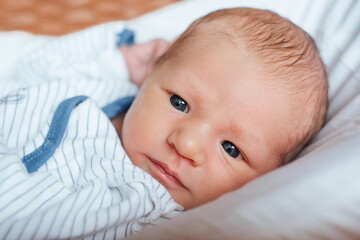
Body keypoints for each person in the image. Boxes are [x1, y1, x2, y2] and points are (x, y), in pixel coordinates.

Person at [0, 7, 328, 239]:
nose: (186, 144)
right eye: (179, 102)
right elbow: (36, 68)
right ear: (153, 73)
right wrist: (119, 60)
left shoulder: (135, 208)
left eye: (231, 149)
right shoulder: (111, 87)